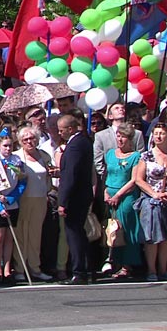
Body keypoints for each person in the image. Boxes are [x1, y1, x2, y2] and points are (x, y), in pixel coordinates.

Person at [134, 123, 167, 281]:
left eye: (162, 133)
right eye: (156, 133)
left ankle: (163, 270)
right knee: (153, 236)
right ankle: (151, 270)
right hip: (151, 201)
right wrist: (154, 194)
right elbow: (139, 180)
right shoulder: (146, 156)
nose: (158, 136)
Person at [13, 126, 54, 282]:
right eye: (25, 140)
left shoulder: (44, 156)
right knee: (21, 233)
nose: (29, 142)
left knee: (36, 234)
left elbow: (48, 176)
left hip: (40, 198)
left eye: (32, 138)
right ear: (20, 142)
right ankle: (19, 269)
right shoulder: (16, 157)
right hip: (23, 198)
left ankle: (35, 268)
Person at [57, 115, 94, 285]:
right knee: (79, 232)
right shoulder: (84, 141)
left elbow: (71, 175)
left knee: (74, 233)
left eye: (61, 130)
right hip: (82, 194)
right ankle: (87, 268)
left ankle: (79, 271)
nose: (59, 133)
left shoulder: (75, 146)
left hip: (75, 196)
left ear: (70, 129)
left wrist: (62, 201)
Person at [103, 124, 143, 279]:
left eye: (123, 136)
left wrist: (118, 195)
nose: (120, 139)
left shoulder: (135, 156)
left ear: (130, 138)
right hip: (110, 193)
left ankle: (127, 265)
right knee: (112, 230)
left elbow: (134, 180)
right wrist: (106, 192)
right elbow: (107, 174)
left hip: (126, 196)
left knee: (126, 228)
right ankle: (114, 261)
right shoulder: (111, 154)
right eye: (118, 136)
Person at [0, 128, 26, 284]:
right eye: (5, 146)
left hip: (11, 202)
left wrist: (10, 199)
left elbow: (22, 182)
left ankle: (7, 269)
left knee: (9, 237)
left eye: (10, 146)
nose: (8, 149)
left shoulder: (17, 162)